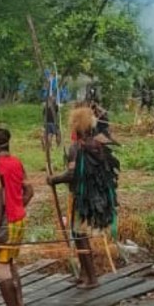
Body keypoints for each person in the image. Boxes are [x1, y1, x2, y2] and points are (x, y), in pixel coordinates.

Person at [47, 107, 120, 289]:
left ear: (76, 127)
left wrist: (53, 179)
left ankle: (91, 278)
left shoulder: (77, 147)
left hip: (82, 198)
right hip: (93, 196)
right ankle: (83, 274)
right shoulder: (98, 144)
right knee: (77, 233)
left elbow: (72, 175)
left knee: (80, 235)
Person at [0, 128, 33, 306]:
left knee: (1, 269)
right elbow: (29, 191)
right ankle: (19, 303)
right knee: (10, 263)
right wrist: (18, 207)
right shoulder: (17, 162)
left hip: (4, 223)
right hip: (18, 221)